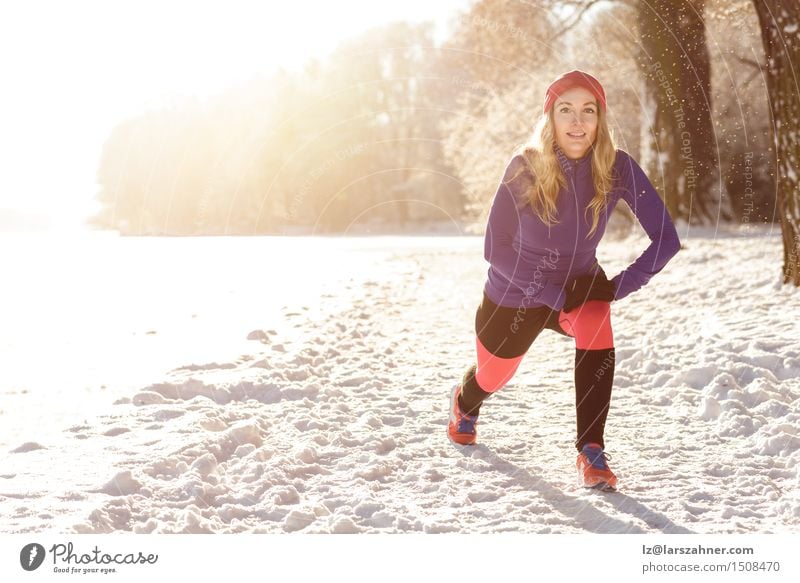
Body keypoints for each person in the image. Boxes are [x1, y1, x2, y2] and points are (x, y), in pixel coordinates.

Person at [447, 70, 681, 491]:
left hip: (578, 289)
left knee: (596, 318)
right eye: (566, 110)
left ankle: (591, 449)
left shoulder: (618, 167)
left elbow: (667, 239)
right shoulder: (525, 166)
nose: (577, 122)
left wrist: (618, 286)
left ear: (600, 119)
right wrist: (552, 295)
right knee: (493, 377)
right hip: (514, 294)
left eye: (588, 111)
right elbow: (495, 249)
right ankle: (464, 403)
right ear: (550, 118)